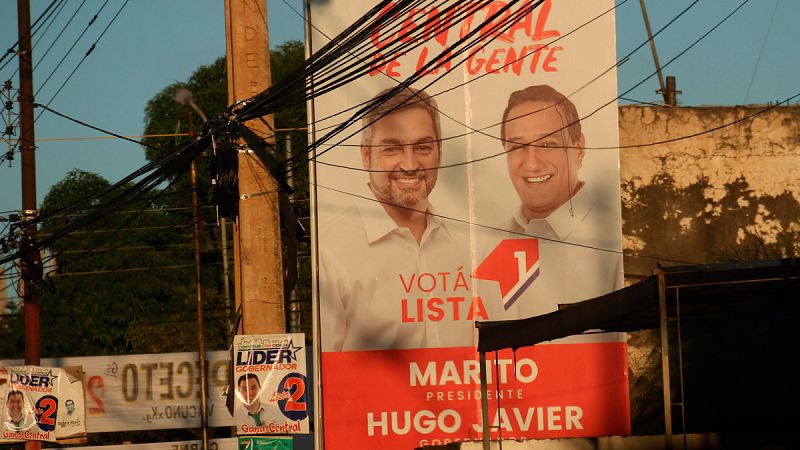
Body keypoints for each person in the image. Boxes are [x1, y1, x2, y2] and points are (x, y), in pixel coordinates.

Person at [319, 86, 473, 352]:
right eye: (392, 149)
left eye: (423, 147)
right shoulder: (331, 251)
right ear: (366, 155)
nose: (410, 164)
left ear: (440, 152)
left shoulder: (469, 242)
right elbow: (326, 371)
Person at [474, 84, 623, 322]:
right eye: (517, 147)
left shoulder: (612, 240)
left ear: (579, 148)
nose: (531, 163)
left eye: (548, 144)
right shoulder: (488, 242)